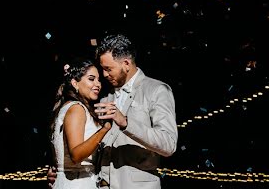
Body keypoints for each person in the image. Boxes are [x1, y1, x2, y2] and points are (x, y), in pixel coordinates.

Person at [48, 34, 177, 189]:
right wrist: (64, 170)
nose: (104, 75)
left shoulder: (156, 90)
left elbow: (169, 144)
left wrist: (125, 123)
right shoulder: (103, 98)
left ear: (126, 64)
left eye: (108, 69)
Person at [50, 59, 113, 189]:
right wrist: (104, 128)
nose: (98, 84)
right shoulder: (77, 108)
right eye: (91, 79)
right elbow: (76, 154)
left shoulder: (70, 107)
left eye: (98, 79)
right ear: (75, 83)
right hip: (78, 183)